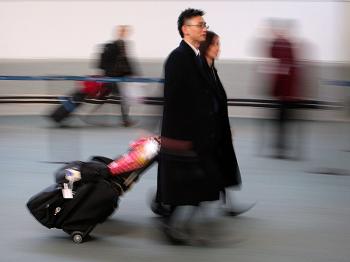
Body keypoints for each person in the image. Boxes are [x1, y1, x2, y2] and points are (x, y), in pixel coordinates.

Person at [154, 9, 242, 245]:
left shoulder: (195, 58)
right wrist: (189, 133)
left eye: (205, 24)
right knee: (195, 181)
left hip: (201, 135)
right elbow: (175, 101)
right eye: (199, 24)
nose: (204, 28)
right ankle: (170, 224)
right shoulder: (178, 58)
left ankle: (172, 222)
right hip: (185, 136)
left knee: (198, 182)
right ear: (186, 29)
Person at [99, 25, 135, 127]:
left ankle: (125, 120)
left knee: (115, 98)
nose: (124, 33)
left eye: (124, 31)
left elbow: (124, 61)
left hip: (114, 77)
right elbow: (120, 61)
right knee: (121, 99)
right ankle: (125, 121)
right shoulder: (116, 45)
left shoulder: (122, 44)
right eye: (122, 31)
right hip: (112, 77)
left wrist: (130, 73)